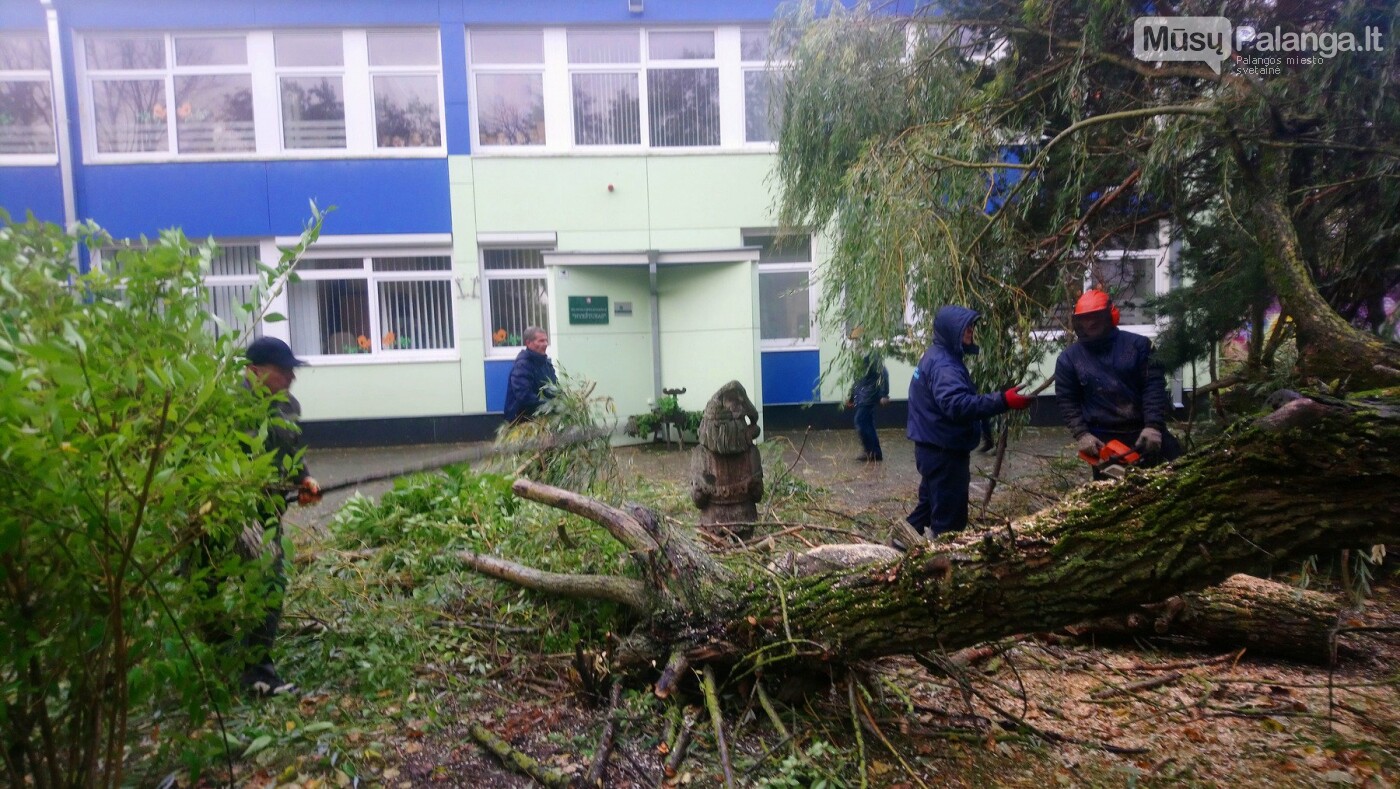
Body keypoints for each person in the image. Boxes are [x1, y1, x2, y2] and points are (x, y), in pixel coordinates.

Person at [236, 336, 321, 697]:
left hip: (269, 511)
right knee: (261, 576)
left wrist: (303, 479)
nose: (291, 378)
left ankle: (255, 668)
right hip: (234, 512)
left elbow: (290, 453)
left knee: (270, 581)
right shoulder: (230, 407)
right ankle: (246, 668)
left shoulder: (288, 405)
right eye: (283, 371)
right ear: (255, 372)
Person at [906, 306, 1033, 537]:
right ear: (951, 330)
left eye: (972, 326)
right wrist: (1003, 400)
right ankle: (945, 562)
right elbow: (956, 405)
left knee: (927, 507)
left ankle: (893, 547)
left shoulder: (936, 355)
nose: (971, 330)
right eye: (966, 326)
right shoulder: (945, 365)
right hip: (945, 454)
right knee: (950, 522)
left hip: (932, 448)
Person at [1054, 289, 1181, 477]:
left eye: (1096, 316)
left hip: (1143, 432)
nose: (1091, 322)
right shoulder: (1069, 359)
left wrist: (1153, 425)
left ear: (1110, 315)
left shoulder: (1138, 346)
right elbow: (1067, 400)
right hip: (1105, 442)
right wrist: (1082, 434)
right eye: (1085, 318)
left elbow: (1153, 386)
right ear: (1077, 321)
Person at [503, 326, 559, 423]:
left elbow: (554, 388)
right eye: (541, 341)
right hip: (523, 420)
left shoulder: (547, 365)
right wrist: (549, 405)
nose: (545, 344)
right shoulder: (522, 366)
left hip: (544, 417)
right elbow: (524, 396)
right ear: (528, 343)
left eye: (546, 340)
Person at [845, 351, 890, 461]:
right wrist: (851, 398)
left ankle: (871, 451)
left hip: (869, 396)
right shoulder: (859, 358)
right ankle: (874, 452)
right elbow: (857, 381)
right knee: (868, 424)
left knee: (860, 421)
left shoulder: (871, 354)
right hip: (862, 397)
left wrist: (884, 394)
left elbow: (883, 372)